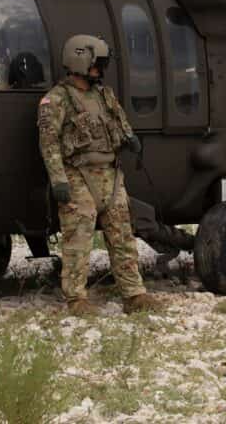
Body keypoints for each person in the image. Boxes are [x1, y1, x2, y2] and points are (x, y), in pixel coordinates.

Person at [37, 34, 162, 316]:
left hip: (110, 174)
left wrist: (130, 139)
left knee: (122, 235)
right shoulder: (56, 100)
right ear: (80, 61)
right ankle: (76, 299)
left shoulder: (104, 95)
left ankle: (134, 294)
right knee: (78, 237)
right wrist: (58, 179)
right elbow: (49, 143)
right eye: (96, 64)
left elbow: (120, 121)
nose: (100, 70)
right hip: (77, 174)